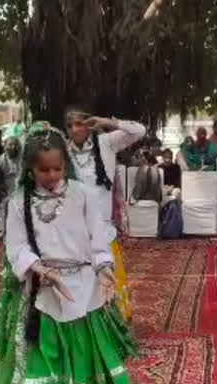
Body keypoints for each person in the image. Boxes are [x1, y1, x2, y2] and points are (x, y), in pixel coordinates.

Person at [0, 123, 136, 384]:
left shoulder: (84, 195)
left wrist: (105, 271)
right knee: (49, 354)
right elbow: (16, 247)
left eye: (57, 168)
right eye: (43, 169)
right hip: (43, 289)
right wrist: (39, 270)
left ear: (67, 165)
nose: (51, 175)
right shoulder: (18, 202)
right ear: (30, 168)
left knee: (82, 353)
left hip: (84, 287)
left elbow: (99, 238)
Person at [65, 107, 146, 322]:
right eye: (70, 125)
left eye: (79, 123)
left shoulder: (106, 143)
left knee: (109, 276)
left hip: (103, 226)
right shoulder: (64, 153)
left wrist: (106, 122)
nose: (75, 129)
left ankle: (113, 322)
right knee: (81, 280)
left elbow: (139, 130)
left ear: (88, 124)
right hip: (75, 228)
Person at [0, 137, 23, 236]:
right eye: (10, 144)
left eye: (15, 144)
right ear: (5, 146)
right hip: (5, 186)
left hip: (21, 186)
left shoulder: (23, 160)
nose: (13, 147)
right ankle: (1, 228)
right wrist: (6, 191)